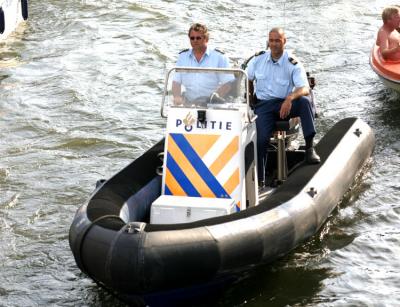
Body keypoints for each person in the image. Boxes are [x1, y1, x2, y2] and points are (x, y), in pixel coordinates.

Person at [246, 27, 320, 187]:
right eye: (271, 41)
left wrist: (290, 98)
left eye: (277, 41)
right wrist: (250, 97)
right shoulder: (257, 60)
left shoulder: (292, 62)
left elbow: (305, 88)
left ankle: (309, 149)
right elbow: (246, 78)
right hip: (264, 105)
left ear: (284, 42)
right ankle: (260, 180)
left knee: (305, 102)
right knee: (261, 138)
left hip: (284, 103)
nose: (274, 44)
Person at [172, 23, 234, 105]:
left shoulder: (219, 57)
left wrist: (212, 99)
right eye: (192, 38)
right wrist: (177, 97)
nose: (195, 41)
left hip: (213, 103)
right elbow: (176, 82)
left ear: (206, 39)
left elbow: (227, 83)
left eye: (198, 38)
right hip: (189, 104)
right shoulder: (182, 57)